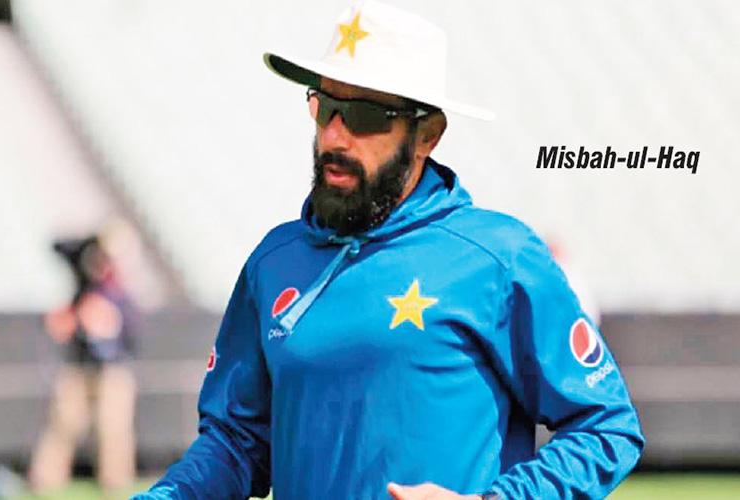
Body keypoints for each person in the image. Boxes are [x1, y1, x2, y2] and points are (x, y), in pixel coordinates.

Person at [133, 2, 644, 499]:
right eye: (325, 107)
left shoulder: (498, 257)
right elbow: (235, 444)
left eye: (365, 116)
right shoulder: (272, 262)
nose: (334, 136)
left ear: (427, 135)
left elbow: (606, 427)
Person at [30, 233, 139, 494]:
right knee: (63, 424)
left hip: (112, 370)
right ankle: (46, 479)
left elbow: (125, 334)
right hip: (79, 367)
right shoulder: (84, 288)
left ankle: (115, 481)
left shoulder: (119, 294)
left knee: (113, 428)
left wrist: (102, 323)